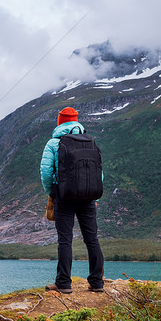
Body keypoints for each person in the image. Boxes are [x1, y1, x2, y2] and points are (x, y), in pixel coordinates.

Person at [40, 107, 104, 293]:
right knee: (92, 239)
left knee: (65, 240)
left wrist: (51, 192)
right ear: (76, 121)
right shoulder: (90, 141)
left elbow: (45, 172)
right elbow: (99, 172)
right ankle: (97, 282)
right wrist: (93, 193)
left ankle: (64, 283)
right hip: (88, 198)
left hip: (64, 196)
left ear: (60, 121)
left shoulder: (54, 143)